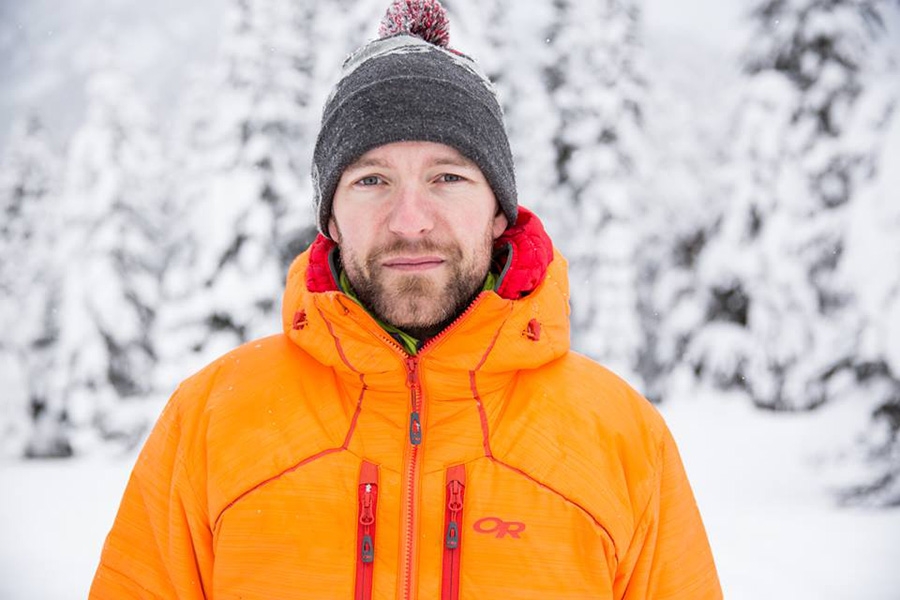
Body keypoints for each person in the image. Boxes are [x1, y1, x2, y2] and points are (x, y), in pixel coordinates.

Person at [89, 1, 722, 598]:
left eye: (448, 177)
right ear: (330, 220)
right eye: (372, 180)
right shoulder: (209, 423)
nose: (410, 219)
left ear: (499, 210)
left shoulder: (622, 438)